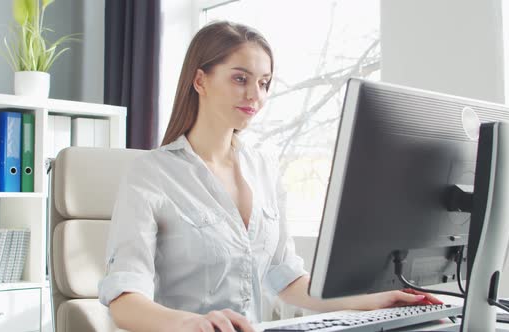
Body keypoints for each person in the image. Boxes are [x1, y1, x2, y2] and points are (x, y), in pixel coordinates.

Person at [98, 21, 441, 332]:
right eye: (240, 79)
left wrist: (373, 301)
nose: (255, 96)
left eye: (264, 84)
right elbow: (124, 302)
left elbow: (287, 279)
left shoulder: (264, 168)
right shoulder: (152, 173)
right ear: (200, 80)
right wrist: (194, 323)